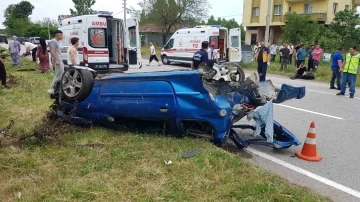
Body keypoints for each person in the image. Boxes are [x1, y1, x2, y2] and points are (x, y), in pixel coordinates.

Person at [48, 30, 64, 95]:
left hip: (59, 59)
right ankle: (51, 88)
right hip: (58, 60)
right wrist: (56, 60)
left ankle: (57, 88)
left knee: (60, 74)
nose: (62, 36)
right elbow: (52, 51)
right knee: (58, 75)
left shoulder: (56, 42)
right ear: (57, 35)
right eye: (61, 35)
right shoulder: (54, 41)